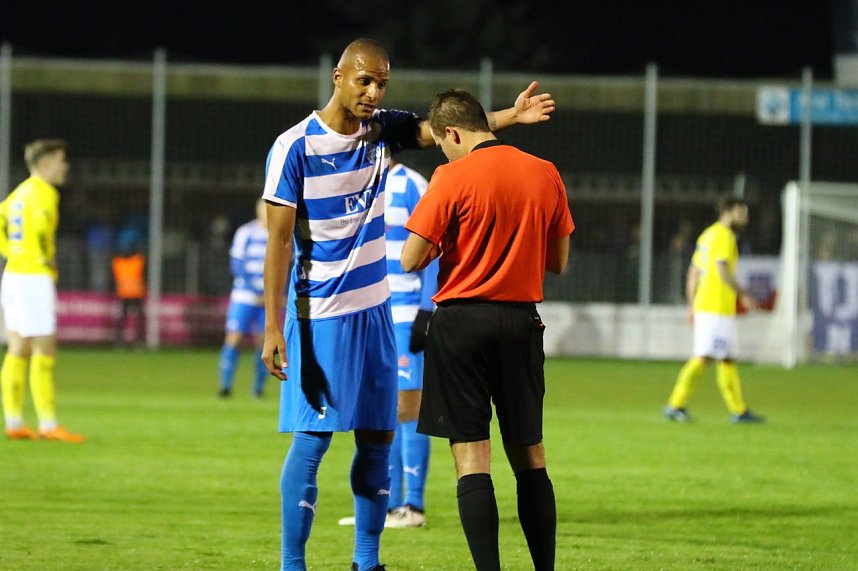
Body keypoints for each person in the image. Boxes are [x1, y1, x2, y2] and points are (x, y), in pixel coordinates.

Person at [261, 38, 555, 571]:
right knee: (313, 440)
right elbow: (278, 243)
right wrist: (272, 327)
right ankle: (291, 564)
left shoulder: (382, 129)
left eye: (382, 84)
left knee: (378, 437)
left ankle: (367, 561)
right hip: (318, 314)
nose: (374, 93)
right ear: (338, 76)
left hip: (375, 312)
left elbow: (446, 131)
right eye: (364, 81)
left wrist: (511, 115)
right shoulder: (293, 147)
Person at [401, 89, 574, 571]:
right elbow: (557, 262)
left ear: (452, 132)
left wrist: (455, 244)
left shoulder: (450, 176)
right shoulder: (545, 172)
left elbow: (410, 259)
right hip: (521, 323)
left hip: (461, 325)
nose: (442, 151)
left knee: (472, 459)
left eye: (441, 142)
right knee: (530, 456)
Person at [337, 161, 439, 529]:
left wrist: (427, 310)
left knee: (406, 408)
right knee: (375, 410)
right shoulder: (350, 183)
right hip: (364, 313)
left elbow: (434, 246)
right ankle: (385, 504)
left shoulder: (412, 183)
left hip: (404, 312)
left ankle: (413, 506)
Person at [0, 139, 84, 442]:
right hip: (33, 277)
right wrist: (42, 256)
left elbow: (1, 218)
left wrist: (11, 250)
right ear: (46, 162)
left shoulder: (19, 193)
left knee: (18, 348)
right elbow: (38, 227)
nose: (65, 166)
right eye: (61, 160)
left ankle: (13, 421)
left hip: (12, 274)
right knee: (44, 348)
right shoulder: (45, 193)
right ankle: (48, 425)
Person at [664, 198, 765, 424]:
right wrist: (744, 294)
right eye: (742, 213)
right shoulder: (724, 236)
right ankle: (675, 404)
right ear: (728, 212)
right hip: (716, 308)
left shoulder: (707, 235)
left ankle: (738, 411)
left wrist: (692, 304)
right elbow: (722, 270)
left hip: (710, 307)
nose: (746, 218)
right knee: (704, 357)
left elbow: (693, 271)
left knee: (726, 358)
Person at [219, 199, 268, 398]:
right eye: (263, 208)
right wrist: (255, 290)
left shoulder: (282, 233)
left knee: (265, 341)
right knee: (234, 337)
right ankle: (225, 386)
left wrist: (277, 294)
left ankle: (257, 389)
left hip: (269, 299)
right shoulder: (245, 232)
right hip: (245, 296)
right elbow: (237, 265)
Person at [111, 241, 147, 348]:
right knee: (125, 319)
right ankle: (123, 341)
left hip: (135, 294)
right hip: (126, 294)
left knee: (136, 319)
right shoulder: (121, 262)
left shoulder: (134, 261)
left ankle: (136, 341)